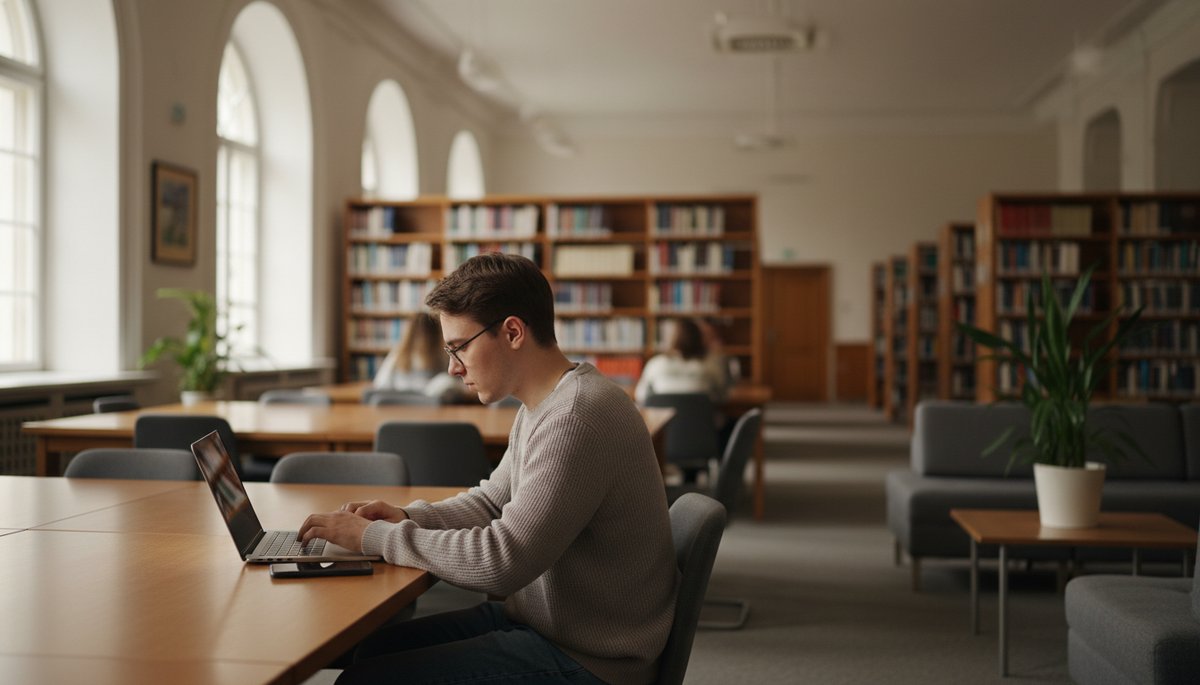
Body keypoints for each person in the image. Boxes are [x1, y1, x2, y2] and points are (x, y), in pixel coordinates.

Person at [299, 253, 679, 684]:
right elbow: (492, 502)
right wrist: (408, 517)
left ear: (513, 332)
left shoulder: (576, 417)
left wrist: (378, 537)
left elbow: (504, 559)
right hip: (545, 625)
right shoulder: (545, 404)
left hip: (591, 657)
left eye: (459, 347)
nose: (452, 367)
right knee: (372, 648)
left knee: (366, 680)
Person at [372, 311, 468, 403]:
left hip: (400, 412)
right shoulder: (445, 356)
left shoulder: (398, 355)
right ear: (438, 333)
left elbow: (380, 385)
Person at [634, 317, 729, 404]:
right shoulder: (711, 365)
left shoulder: (656, 364)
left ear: (671, 339)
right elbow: (723, 395)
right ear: (699, 339)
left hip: (664, 421)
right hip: (701, 421)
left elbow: (641, 395)